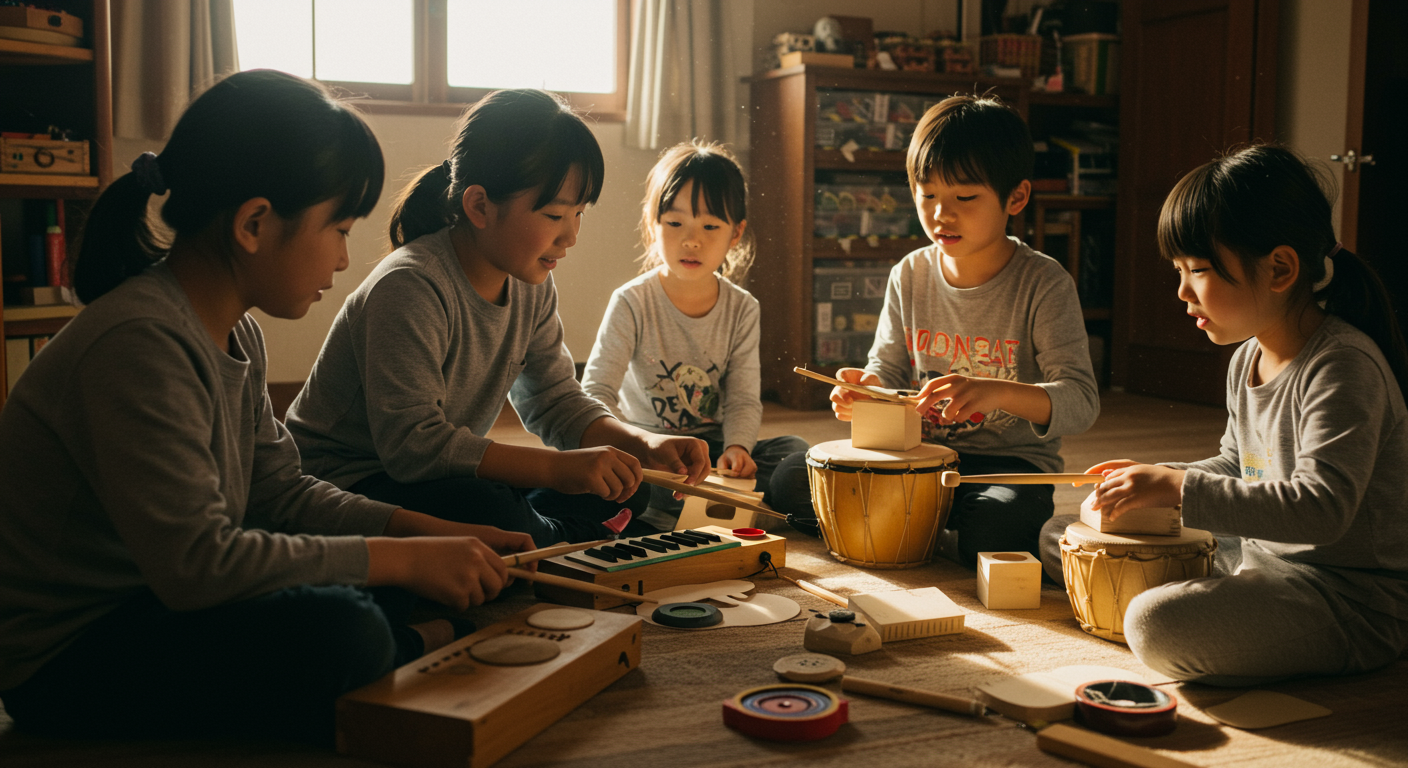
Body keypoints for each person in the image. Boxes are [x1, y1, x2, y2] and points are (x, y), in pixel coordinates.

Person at [0, 70, 535, 745]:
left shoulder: (235, 330)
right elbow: (200, 565)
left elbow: (279, 492)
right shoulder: (139, 343)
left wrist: (422, 533)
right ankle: (399, 646)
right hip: (74, 655)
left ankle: (401, 642)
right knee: (345, 631)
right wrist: (400, 560)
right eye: (338, 228)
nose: (344, 259)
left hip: (167, 604)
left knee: (402, 567)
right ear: (254, 223)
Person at [1042, 145, 1408, 685]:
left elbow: (1322, 510)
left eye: (1198, 270)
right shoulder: (1248, 357)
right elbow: (1239, 465)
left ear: (1280, 268)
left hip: (1347, 596)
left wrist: (1178, 486)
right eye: (1178, 270)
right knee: (1064, 533)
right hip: (1258, 556)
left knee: (1153, 623)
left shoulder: (1343, 367)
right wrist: (1152, 480)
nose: (1183, 291)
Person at [284, 89, 710, 548]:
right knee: (490, 508)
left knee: (626, 481)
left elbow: (556, 401)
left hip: (436, 478)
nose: (570, 235)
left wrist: (642, 444)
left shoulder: (533, 282)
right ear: (480, 206)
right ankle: (550, 541)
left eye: (578, 214)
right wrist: (555, 469)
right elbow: (414, 448)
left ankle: (544, 538)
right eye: (553, 214)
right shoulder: (410, 286)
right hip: (350, 486)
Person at [781, 93, 1100, 565]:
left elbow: (1081, 401)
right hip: (916, 452)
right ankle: (919, 521)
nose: (940, 214)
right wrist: (867, 392)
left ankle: (915, 523)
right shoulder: (909, 273)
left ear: (1016, 196)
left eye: (964, 198)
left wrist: (998, 392)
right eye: (927, 195)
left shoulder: (1044, 282)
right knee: (790, 480)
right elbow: (885, 371)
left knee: (996, 529)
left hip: (1004, 466)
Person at [581, 141, 808, 532]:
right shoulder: (632, 302)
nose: (692, 240)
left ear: (735, 233)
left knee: (794, 455)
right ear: (653, 224)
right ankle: (677, 508)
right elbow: (596, 393)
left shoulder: (742, 308)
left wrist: (737, 447)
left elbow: (742, 397)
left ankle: (697, 505)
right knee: (604, 480)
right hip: (647, 452)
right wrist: (634, 446)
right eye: (675, 223)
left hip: (710, 452)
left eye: (710, 226)